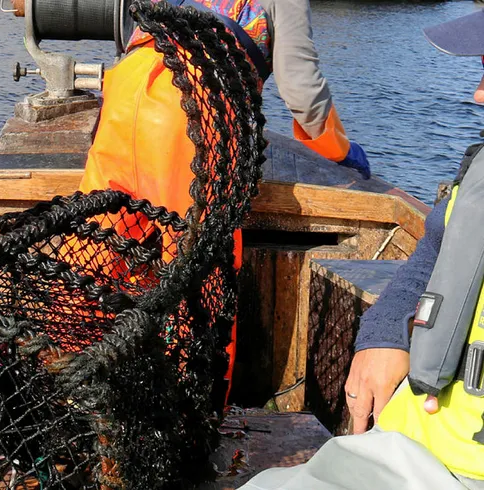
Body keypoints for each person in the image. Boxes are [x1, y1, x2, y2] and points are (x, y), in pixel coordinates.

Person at [79, 0, 369, 407]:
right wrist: (337, 148)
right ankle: (186, 414)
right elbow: (301, 88)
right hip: (193, 112)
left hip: (123, 94)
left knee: (96, 260)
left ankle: (80, 396)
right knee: (196, 279)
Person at [238, 9, 484, 489]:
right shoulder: (479, 172)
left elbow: (298, 85)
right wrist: (386, 331)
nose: (477, 95)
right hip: (406, 442)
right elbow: (438, 247)